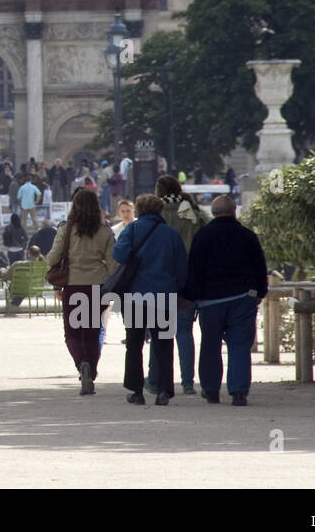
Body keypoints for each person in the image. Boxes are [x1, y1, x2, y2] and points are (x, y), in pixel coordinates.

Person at [183, 196, 269, 405]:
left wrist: (191, 297)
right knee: (239, 344)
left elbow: (194, 270)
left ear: (213, 213)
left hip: (210, 300)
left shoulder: (202, 236)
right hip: (242, 297)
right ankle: (238, 391)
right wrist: (260, 293)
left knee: (210, 344)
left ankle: (211, 389)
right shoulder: (247, 236)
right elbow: (259, 267)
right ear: (234, 212)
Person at [115, 194, 188, 406]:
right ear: (159, 211)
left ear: (138, 210)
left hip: (136, 296)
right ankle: (164, 390)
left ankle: (136, 391)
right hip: (163, 297)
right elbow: (181, 268)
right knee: (163, 344)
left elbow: (119, 255)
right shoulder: (171, 235)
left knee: (134, 344)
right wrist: (181, 293)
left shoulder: (131, 230)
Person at [45, 188, 116, 395]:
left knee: (72, 333)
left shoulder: (66, 229)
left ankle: (81, 363)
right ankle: (91, 371)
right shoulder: (105, 231)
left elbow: (52, 259)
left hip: (74, 285)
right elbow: (113, 264)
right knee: (93, 333)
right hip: (98, 286)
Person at [147, 174, 209, 396]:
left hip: (160, 278)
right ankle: (188, 381)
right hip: (188, 279)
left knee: (159, 333)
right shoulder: (191, 211)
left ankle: (155, 379)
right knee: (185, 332)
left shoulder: (155, 213)